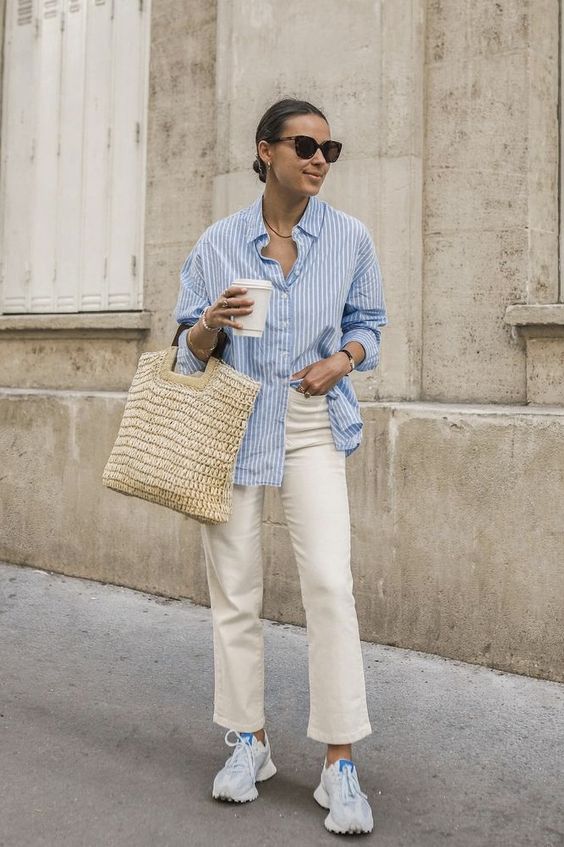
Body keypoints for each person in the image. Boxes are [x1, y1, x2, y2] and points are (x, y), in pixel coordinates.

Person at [174, 98, 387, 835]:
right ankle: (249, 743)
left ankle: (340, 761)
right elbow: (183, 346)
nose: (320, 158)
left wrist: (343, 358)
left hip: (308, 419)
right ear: (265, 151)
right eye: (305, 145)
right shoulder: (218, 243)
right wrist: (209, 324)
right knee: (235, 587)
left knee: (330, 582)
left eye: (331, 148)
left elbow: (371, 324)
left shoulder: (350, 239)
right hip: (234, 418)